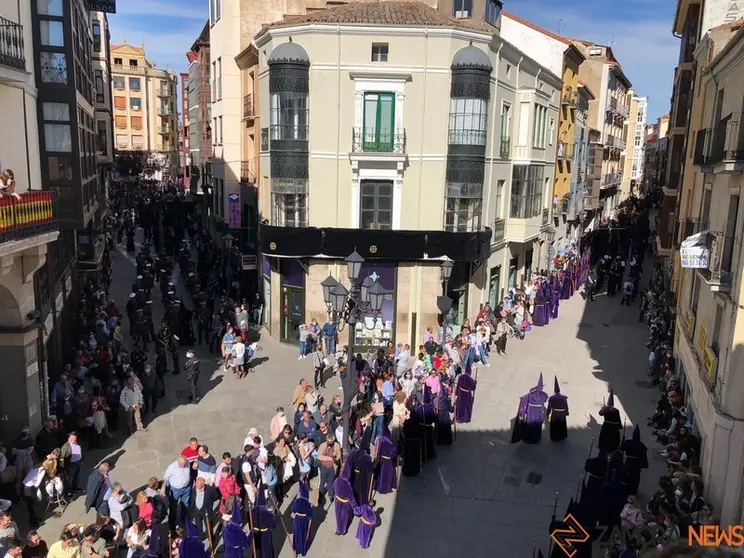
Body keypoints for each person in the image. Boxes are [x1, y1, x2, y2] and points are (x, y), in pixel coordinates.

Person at [317, 434, 340, 505]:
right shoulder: (322, 445)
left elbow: (339, 454)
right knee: (322, 482)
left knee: (330, 482)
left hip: (332, 467)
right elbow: (319, 456)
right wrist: (328, 458)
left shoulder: (337, 445)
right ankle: (320, 496)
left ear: (334, 441)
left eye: (331, 442)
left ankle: (330, 495)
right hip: (324, 467)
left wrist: (336, 459)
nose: (330, 443)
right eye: (328, 442)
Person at [59, 432, 84, 497]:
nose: (74, 440)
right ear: (69, 438)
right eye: (73, 439)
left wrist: (81, 460)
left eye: (75, 439)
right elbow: (62, 458)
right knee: (69, 479)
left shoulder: (78, 443)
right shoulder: (65, 447)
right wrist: (62, 467)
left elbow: (81, 452)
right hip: (70, 465)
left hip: (78, 462)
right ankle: (68, 491)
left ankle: (75, 487)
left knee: (77, 476)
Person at [547, 376, 569, 442]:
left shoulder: (551, 398)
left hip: (555, 414)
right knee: (561, 425)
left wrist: (548, 414)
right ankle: (561, 436)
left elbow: (549, 407)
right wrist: (566, 413)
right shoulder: (564, 397)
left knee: (555, 425)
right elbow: (566, 406)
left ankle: (554, 437)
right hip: (562, 414)